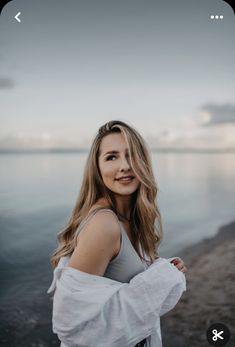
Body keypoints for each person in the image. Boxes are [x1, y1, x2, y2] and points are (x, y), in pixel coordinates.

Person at [48, 120, 187, 347]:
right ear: (98, 168)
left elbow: (125, 278)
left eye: (131, 155)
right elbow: (73, 324)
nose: (124, 166)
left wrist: (162, 270)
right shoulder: (103, 224)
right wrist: (160, 281)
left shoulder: (132, 219)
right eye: (112, 157)